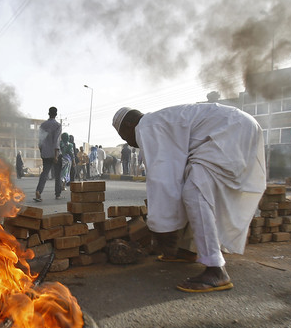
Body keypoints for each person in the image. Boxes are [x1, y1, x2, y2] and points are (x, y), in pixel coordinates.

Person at [112, 103, 266, 293]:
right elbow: (174, 176)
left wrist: (162, 228)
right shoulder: (161, 121)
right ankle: (188, 249)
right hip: (239, 126)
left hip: (230, 130)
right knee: (189, 182)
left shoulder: (146, 126)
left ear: (128, 125)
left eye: (124, 137)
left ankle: (216, 270)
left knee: (195, 192)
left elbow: (162, 178)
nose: (129, 143)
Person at [34, 107, 62, 202]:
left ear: (48, 113)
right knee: (57, 174)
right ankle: (57, 194)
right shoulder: (57, 125)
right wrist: (55, 155)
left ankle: (38, 191)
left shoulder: (43, 125)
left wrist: (42, 151)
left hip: (45, 153)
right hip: (54, 153)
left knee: (45, 173)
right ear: (56, 114)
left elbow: (40, 141)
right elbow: (56, 141)